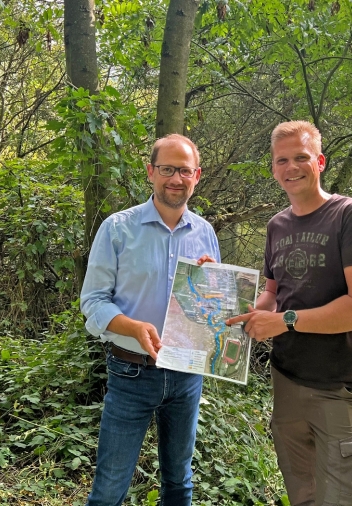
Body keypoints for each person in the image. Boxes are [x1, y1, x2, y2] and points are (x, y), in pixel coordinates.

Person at [226, 121, 352, 506]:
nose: (291, 167)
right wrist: (230, 299)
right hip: (287, 382)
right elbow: (271, 294)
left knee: (343, 499)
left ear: (320, 161)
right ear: (273, 168)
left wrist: (284, 321)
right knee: (301, 493)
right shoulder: (276, 226)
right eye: (281, 160)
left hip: (342, 387)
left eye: (301, 157)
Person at [80, 134, 220, 506]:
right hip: (130, 373)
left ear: (197, 176)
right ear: (150, 172)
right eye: (167, 169)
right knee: (109, 489)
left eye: (184, 171)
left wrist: (212, 287)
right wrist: (134, 328)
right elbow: (92, 301)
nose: (176, 178)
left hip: (187, 376)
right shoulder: (117, 228)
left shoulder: (206, 233)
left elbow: (213, 313)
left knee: (179, 483)